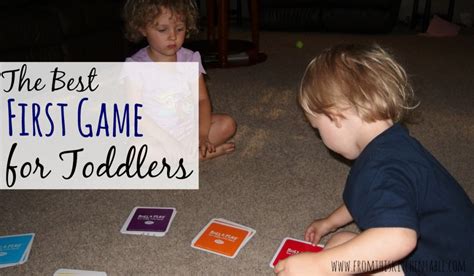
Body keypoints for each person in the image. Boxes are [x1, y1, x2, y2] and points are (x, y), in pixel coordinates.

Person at [275, 44, 473, 275]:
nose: (320, 136)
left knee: (337, 257)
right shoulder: (393, 143)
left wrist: (320, 266)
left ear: (335, 117)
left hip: (446, 268)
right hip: (451, 256)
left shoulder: (381, 169)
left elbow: (399, 238)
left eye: (318, 128)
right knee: (340, 241)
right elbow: (368, 195)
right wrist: (330, 222)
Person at [123, 0, 236, 160]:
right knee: (136, 150)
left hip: (187, 130)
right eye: (162, 29)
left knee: (227, 124)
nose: (173, 36)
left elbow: (202, 100)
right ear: (142, 28)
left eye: (180, 29)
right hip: (155, 135)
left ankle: (182, 156)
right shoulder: (136, 67)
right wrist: (167, 141)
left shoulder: (190, 59)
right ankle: (196, 156)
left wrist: (203, 135)